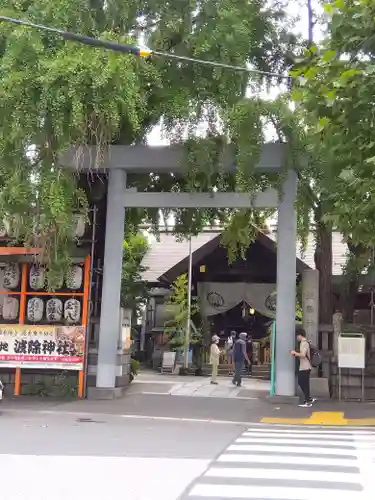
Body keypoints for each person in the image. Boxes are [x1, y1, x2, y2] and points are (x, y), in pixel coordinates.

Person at [290, 328, 315, 407]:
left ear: (300, 335)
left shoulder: (304, 343)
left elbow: (303, 355)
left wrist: (294, 353)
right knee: (304, 383)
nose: (296, 338)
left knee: (301, 382)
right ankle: (308, 399)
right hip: (305, 366)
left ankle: (307, 401)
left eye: (297, 336)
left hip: (305, 366)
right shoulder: (305, 342)